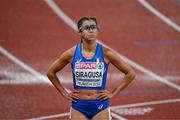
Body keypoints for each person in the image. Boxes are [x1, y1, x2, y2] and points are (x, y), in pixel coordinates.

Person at [47, 16, 135, 120]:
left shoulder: (106, 53)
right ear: (80, 32)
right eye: (87, 28)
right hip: (79, 106)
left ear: (98, 30)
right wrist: (64, 93)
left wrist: (113, 93)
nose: (91, 30)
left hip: (100, 105)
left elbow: (130, 74)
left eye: (93, 27)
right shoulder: (71, 53)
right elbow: (51, 73)